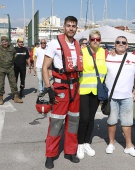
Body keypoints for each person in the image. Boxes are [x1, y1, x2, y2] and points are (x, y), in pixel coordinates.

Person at [42, 16, 83, 169]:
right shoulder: (54, 43)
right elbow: (45, 67)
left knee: (73, 122)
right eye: (68, 25)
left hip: (75, 88)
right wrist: (48, 89)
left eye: (73, 26)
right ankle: (50, 155)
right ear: (64, 27)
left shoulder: (78, 45)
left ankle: (70, 151)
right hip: (60, 88)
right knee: (56, 123)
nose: (71, 28)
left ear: (76, 28)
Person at [104, 36, 135, 157]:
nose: (121, 44)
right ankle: (111, 143)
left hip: (127, 96)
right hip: (111, 96)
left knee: (127, 122)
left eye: (123, 42)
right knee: (112, 120)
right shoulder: (108, 56)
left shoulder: (134, 58)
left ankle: (129, 146)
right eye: (118, 42)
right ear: (114, 44)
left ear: (127, 45)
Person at [76, 30, 108, 159]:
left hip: (97, 91)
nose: (95, 41)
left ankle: (86, 142)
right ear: (89, 40)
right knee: (83, 118)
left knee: (91, 118)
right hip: (83, 90)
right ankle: (79, 144)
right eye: (93, 39)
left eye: (98, 39)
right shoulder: (82, 52)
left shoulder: (104, 53)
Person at [0, 36, 23, 105]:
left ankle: (16, 97)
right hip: (1, 68)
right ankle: (0, 98)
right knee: (0, 84)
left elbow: (15, 55)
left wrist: (11, 61)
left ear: (8, 42)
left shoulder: (11, 48)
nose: (5, 43)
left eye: (6, 41)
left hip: (10, 68)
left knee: (13, 83)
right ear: (1, 42)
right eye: (3, 42)